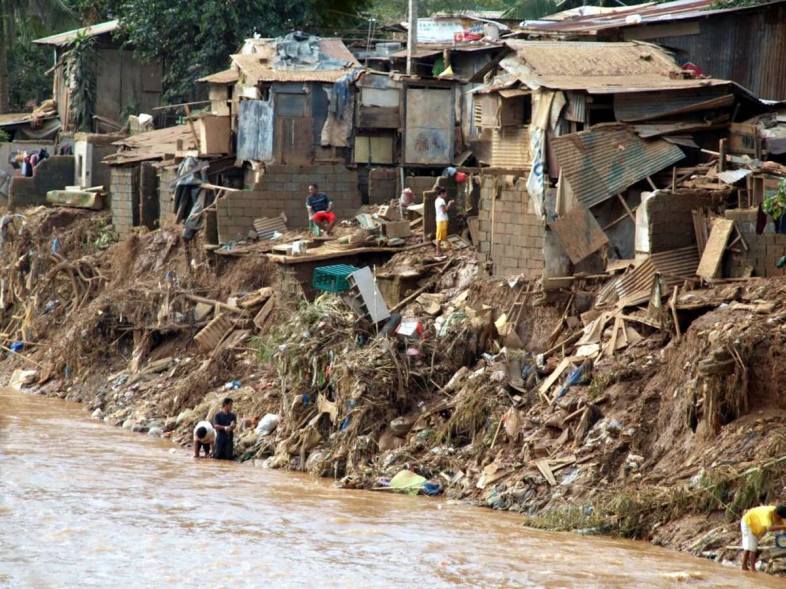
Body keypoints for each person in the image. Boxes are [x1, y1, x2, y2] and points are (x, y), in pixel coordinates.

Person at [740, 504, 786, 571]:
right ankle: (752, 569)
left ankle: (745, 566)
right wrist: (783, 527)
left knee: (750, 546)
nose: (780, 519)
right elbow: (769, 528)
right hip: (748, 523)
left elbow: (783, 523)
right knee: (752, 547)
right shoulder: (767, 514)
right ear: (777, 514)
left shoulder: (779, 511)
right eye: (780, 518)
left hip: (755, 525)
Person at [434, 186, 453, 256]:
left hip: (440, 220)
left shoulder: (437, 200)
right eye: (445, 193)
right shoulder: (441, 201)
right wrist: (449, 204)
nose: (446, 195)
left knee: (441, 236)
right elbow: (444, 210)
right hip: (442, 220)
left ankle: (440, 250)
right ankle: (438, 252)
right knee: (439, 237)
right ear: (442, 193)